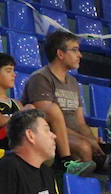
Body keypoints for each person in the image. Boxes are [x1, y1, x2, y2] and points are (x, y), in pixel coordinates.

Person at [24, 30, 104, 173]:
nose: (80, 55)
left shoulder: (73, 82)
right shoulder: (40, 78)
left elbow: (80, 122)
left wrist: (93, 140)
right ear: (60, 54)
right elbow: (47, 120)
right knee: (83, 148)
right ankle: (66, 182)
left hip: (73, 135)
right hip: (50, 135)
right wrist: (86, 141)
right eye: (74, 50)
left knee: (106, 155)